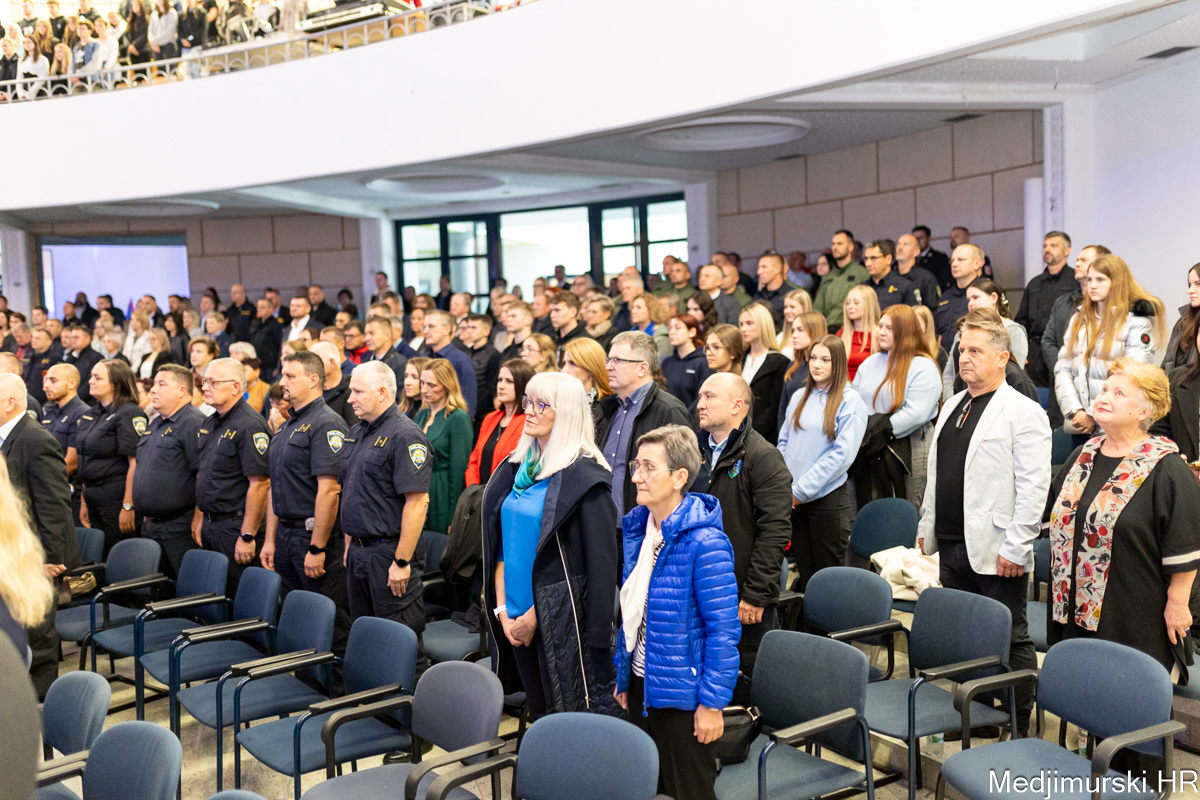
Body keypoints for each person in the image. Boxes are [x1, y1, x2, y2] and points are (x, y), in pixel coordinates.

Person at [916, 314, 1049, 737]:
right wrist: (926, 522)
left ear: (1002, 357)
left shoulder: (1023, 411)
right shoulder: (953, 403)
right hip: (951, 540)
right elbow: (937, 474)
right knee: (965, 636)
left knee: (1010, 636)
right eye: (962, 350)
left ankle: (1019, 722)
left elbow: (1033, 487)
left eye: (976, 351)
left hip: (998, 546)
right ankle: (979, 718)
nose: (965, 358)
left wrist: (1018, 544)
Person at [1045, 359, 1200, 675]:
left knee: (1122, 696)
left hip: (1133, 616)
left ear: (1145, 411)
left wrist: (1178, 604)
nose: (1104, 397)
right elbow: (1056, 517)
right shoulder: (1082, 456)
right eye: (1104, 389)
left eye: (1118, 393)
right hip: (1074, 609)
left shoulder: (1167, 468)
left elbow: (1185, 547)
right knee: (1080, 690)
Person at [481, 373, 619, 718]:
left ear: (567, 413)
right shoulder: (518, 468)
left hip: (556, 622)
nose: (529, 410)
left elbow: (598, 568)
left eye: (541, 404)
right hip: (511, 615)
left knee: (563, 719)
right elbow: (501, 548)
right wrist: (502, 611)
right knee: (536, 709)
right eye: (528, 401)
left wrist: (534, 618)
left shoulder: (585, 478)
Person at [614, 425, 739, 800]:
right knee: (646, 791)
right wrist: (626, 676)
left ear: (680, 477)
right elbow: (634, 615)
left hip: (684, 699)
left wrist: (712, 704)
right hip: (643, 687)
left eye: (648, 467)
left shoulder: (706, 542)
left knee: (688, 792)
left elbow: (723, 632)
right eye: (636, 465)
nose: (636, 476)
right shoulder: (641, 529)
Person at [695, 374, 791, 694]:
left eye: (710, 397)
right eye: (700, 396)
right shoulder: (694, 450)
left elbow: (775, 532)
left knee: (744, 688)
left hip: (741, 597)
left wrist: (756, 595)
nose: (700, 404)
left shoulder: (763, 456)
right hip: (700, 589)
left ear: (737, 405)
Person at [263, 351, 351, 655]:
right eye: (282, 374)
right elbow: (275, 487)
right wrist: (270, 539)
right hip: (286, 535)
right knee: (298, 618)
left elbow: (330, 491)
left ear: (313, 380)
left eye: (290, 376)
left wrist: (317, 547)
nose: (282, 382)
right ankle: (306, 678)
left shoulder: (326, 423)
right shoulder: (287, 425)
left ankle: (337, 683)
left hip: (311, 535)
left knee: (328, 620)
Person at [340, 362, 431, 651]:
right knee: (367, 641)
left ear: (381, 393)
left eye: (357, 392)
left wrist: (402, 562)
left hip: (388, 554)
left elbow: (417, 502)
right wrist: (349, 545)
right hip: (359, 551)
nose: (350, 399)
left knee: (399, 644)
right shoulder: (357, 432)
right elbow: (351, 493)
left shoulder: (405, 435)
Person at [0, 373, 77, 697]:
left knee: (39, 637)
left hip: (36, 558)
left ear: (10, 402)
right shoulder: (8, 436)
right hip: (14, 555)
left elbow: (54, 505)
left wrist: (51, 559)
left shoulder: (36, 439)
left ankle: (39, 707)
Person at [778, 335, 868, 590]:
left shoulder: (850, 400)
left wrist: (801, 490)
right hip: (795, 500)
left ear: (837, 363)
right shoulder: (799, 396)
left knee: (828, 583)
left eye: (825, 360)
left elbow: (842, 455)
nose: (817, 365)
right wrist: (786, 485)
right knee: (806, 577)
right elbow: (783, 443)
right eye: (813, 358)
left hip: (826, 502)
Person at [1054, 254, 1165, 439]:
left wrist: (1092, 414)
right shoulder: (1078, 319)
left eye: (1100, 280)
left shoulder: (1135, 321)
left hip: (1116, 427)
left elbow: (1133, 376)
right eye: (1089, 279)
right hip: (1080, 425)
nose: (1092, 285)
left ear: (1117, 282)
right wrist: (1075, 411)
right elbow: (1062, 368)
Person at [852, 305, 942, 510]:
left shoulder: (923, 366)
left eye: (889, 328)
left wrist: (878, 430)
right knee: (873, 510)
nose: (881, 332)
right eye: (880, 326)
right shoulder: (870, 363)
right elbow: (854, 400)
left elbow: (916, 414)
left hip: (908, 445)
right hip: (870, 445)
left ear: (905, 331)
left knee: (906, 511)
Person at [598, 332, 692, 519]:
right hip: (606, 525)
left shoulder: (669, 410)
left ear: (642, 368)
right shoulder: (608, 408)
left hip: (647, 525)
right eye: (609, 359)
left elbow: (683, 478)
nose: (608, 367)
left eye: (617, 360)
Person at [131, 365, 205, 580]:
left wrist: (199, 518)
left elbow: (203, 475)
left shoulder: (193, 423)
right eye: (154, 384)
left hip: (180, 526)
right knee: (157, 589)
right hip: (152, 525)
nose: (154, 389)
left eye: (161, 384)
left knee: (188, 588)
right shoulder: (155, 422)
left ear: (182, 390)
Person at [73, 359, 147, 557]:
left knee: (118, 553)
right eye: (91, 376)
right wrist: (84, 500)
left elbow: (135, 462)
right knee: (97, 554)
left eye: (98, 378)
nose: (90, 381)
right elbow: (86, 459)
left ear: (116, 384)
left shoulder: (128, 412)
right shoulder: (93, 412)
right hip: (91, 493)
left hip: (116, 495)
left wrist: (128, 505)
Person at [1040, 244, 1110, 429]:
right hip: (1065, 395)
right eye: (1077, 259)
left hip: (1103, 405)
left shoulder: (1122, 314)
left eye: (1084, 260)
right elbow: (1048, 341)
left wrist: (1091, 413)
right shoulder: (1064, 302)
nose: (1077, 263)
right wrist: (1066, 373)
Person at [413, 359, 473, 534]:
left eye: (431, 385)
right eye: (422, 383)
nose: (424, 389)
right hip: (418, 489)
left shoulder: (457, 418)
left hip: (442, 492)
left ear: (447, 386)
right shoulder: (422, 415)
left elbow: (459, 470)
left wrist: (453, 514)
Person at [942, 279, 1030, 395]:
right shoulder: (964, 330)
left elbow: (1011, 372)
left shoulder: (1014, 330)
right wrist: (953, 400)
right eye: (968, 300)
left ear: (993, 298)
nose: (970, 303)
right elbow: (949, 372)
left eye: (975, 297)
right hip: (963, 395)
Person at [466, 359, 531, 485]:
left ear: (523, 385)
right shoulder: (490, 418)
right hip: (477, 492)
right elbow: (474, 459)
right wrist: (473, 489)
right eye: (500, 380)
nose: (501, 386)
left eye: (509, 381)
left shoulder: (527, 422)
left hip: (505, 492)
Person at [738, 303, 789, 445]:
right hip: (737, 431)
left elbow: (774, 408)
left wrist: (750, 435)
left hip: (763, 438)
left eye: (749, 323)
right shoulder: (740, 358)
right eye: (741, 324)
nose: (743, 329)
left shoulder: (780, 362)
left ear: (763, 324)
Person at [813, 230, 869, 329]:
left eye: (840, 244)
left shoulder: (862, 273)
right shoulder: (828, 276)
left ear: (850, 247)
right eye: (833, 244)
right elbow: (818, 308)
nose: (835, 247)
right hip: (828, 328)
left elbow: (868, 306)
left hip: (851, 328)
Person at [934, 244, 985, 351]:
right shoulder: (946, 296)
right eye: (952, 260)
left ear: (977, 263)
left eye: (961, 260)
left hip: (974, 355)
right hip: (946, 356)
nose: (954, 264)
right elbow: (939, 334)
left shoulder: (986, 293)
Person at [560, 338, 612, 439]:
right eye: (564, 363)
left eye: (573, 363)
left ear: (591, 369)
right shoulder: (562, 401)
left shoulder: (606, 408)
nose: (564, 370)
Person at [661, 314, 711, 412]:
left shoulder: (703, 362)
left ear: (692, 332)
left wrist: (685, 417)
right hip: (667, 418)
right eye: (670, 329)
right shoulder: (666, 363)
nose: (672, 332)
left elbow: (702, 398)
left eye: (677, 328)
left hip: (694, 418)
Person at [461, 314, 501, 429]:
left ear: (486, 331)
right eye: (467, 327)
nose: (469, 331)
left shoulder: (494, 355)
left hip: (482, 414)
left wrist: (475, 411)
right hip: (463, 408)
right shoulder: (465, 353)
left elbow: (491, 387)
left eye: (473, 328)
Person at [310, 341, 358, 428]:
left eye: (316, 362)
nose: (311, 367)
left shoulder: (351, 391)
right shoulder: (311, 391)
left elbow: (353, 427)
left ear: (332, 363)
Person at [838, 285, 880, 382]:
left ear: (869, 305)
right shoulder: (842, 333)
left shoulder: (880, 334)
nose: (850, 306)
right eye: (848, 303)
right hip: (842, 387)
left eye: (856, 303)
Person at [1163, 262, 1200, 372]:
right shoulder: (1183, 322)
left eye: (1198, 284)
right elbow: (1167, 365)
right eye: (1189, 285)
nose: (1190, 290)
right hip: (1175, 382)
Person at [862, 239, 920, 310]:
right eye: (866, 259)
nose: (868, 264)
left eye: (873, 258)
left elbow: (915, 314)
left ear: (888, 259)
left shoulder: (905, 286)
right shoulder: (862, 287)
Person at [894, 233, 941, 313]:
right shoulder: (890, 277)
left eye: (906, 245)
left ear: (916, 251)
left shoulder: (926, 278)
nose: (900, 248)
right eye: (898, 244)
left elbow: (934, 310)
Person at [363, 315, 407, 389]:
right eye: (365, 334)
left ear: (387, 336)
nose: (367, 338)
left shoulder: (400, 364)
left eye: (372, 333)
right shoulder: (366, 362)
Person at [62, 325, 102, 404]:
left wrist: (72, 397)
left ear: (87, 338)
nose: (73, 340)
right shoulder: (69, 357)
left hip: (88, 403)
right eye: (71, 338)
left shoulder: (96, 357)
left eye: (76, 337)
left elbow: (91, 383)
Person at [629, 293, 671, 360]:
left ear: (651, 309)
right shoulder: (631, 332)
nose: (633, 311)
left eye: (639, 307)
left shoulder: (661, 336)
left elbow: (660, 364)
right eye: (633, 307)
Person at [250, 299, 284, 379]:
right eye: (258, 307)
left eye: (262, 307)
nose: (259, 310)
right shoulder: (255, 324)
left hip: (270, 366)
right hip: (257, 364)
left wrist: (277, 367)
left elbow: (280, 346)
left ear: (271, 309)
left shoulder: (276, 325)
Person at [912, 224, 952, 290]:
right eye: (915, 239)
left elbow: (944, 282)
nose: (918, 241)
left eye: (921, 238)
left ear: (929, 238)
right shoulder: (910, 259)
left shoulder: (939, 257)